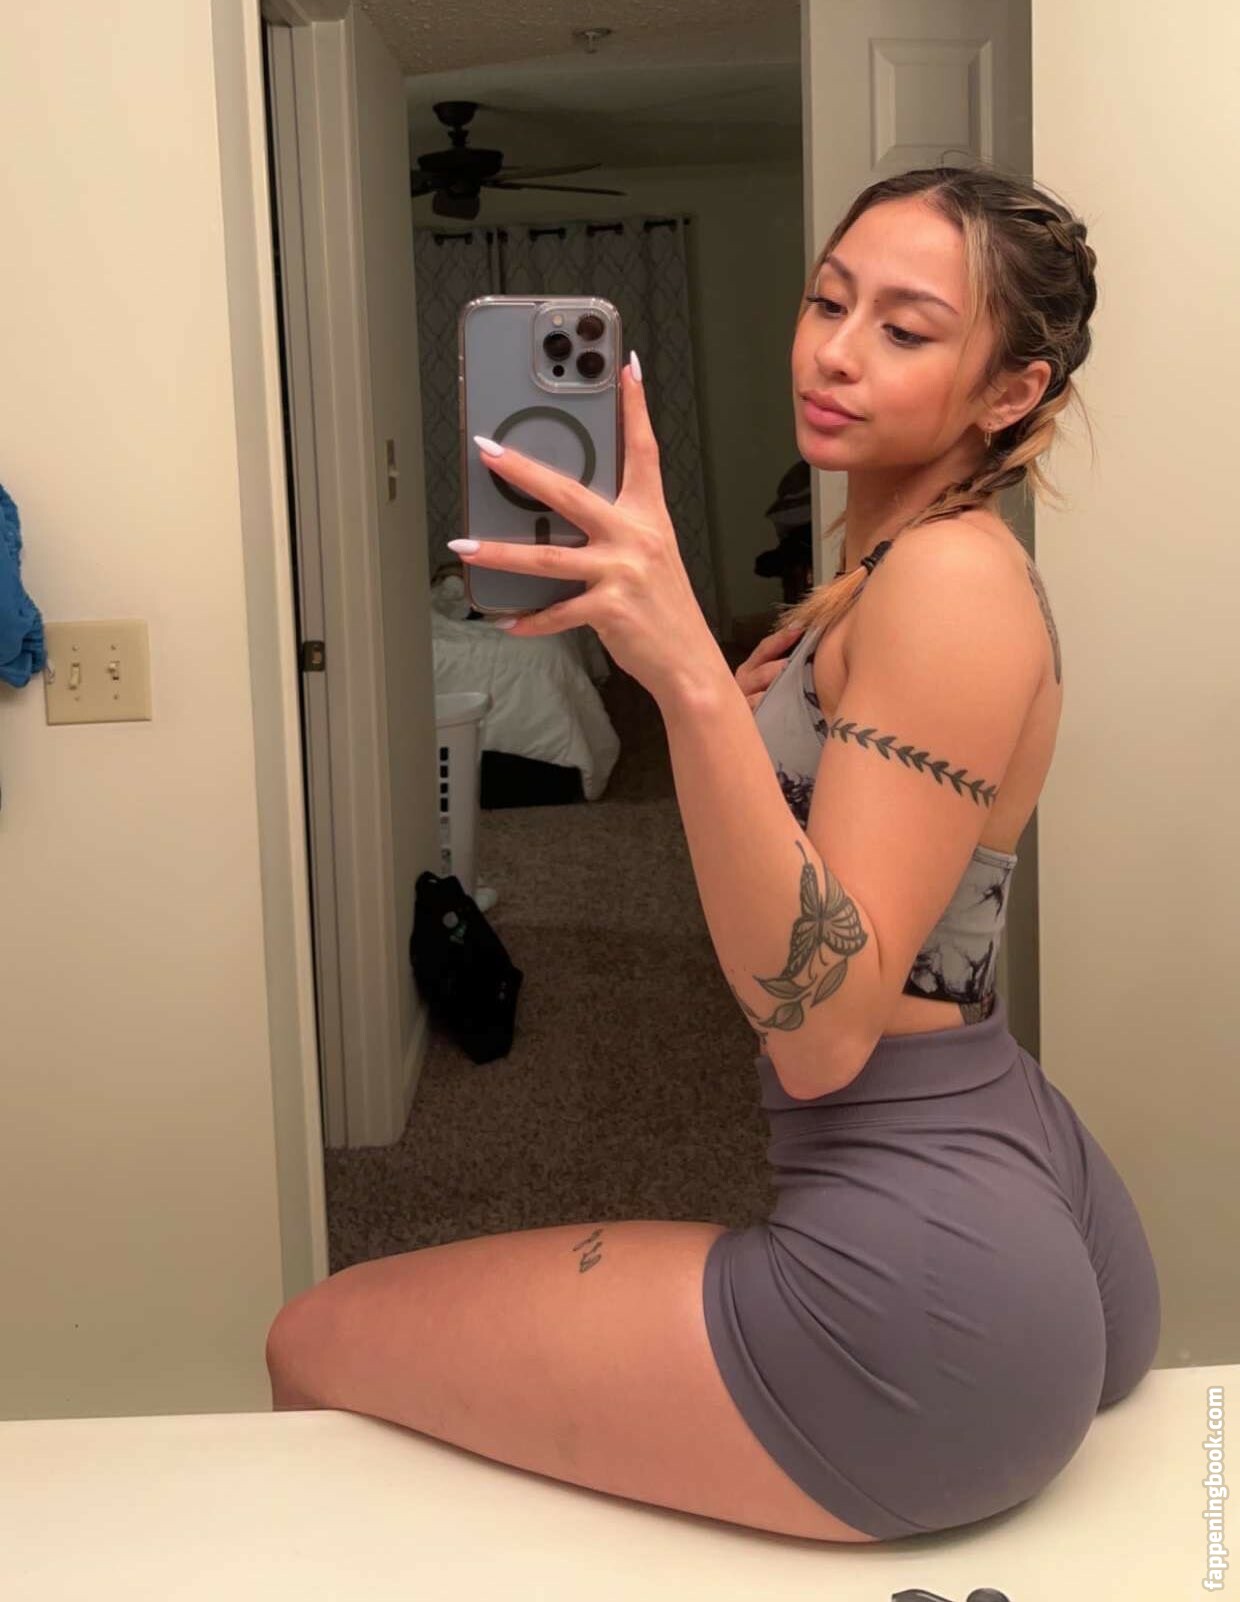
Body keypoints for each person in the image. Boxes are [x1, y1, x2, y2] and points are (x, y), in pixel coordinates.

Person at [264, 165, 1161, 1544]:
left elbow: (825, 1035)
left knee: (315, 1339)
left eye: (905, 329)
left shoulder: (948, 580)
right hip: (1008, 1175)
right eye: (828, 300)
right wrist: (729, 724)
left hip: (930, 1281)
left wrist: (683, 669)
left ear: (1010, 391)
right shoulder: (885, 566)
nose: (837, 351)